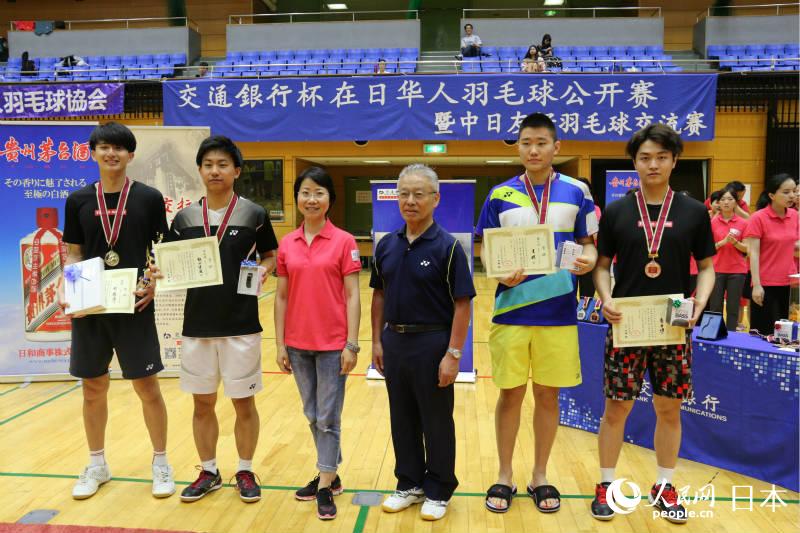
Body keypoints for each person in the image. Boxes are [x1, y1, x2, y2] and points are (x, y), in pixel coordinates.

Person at [590, 124, 716, 524]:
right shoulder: (617, 210)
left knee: (668, 409)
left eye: (662, 156)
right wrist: (606, 299)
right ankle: (606, 486)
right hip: (626, 324)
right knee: (616, 409)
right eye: (645, 157)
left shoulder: (694, 211)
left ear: (675, 161)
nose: (653, 164)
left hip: (674, 323)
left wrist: (700, 301)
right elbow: (602, 266)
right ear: (634, 162)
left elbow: (709, 268)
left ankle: (664, 487)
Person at [477, 113, 598, 514]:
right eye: (526, 142)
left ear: (556, 147)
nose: (533, 149)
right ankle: (505, 473)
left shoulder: (579, 192)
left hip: (560, 311)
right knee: (510, 394)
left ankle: (540, 474)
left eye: (542, 142)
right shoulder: (499, 195)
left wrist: (587, 260)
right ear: (518, 146)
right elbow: (484, 251)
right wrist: (499, 272)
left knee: (549, 395)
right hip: (511, 311)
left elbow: (591, 244)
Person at [157, 136, 277, 504]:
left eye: (223, 164)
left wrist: (263, 271)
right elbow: (170, 262)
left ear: (237, 171)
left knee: (244, 403)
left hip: (241, 326)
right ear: (199, 170)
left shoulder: (254, 213)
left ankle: (244, 468)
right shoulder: (184, 218)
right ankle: (208, 470)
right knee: (202, 404)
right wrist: (162, 272)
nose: (215, 170)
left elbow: (271, 255)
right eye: (208, 164)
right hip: (197, 327)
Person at [59, 122, 175, 500]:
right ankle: (97, 464)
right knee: (93, 388)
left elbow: (161, 250)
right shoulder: (78, 200)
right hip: (91, 304)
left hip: (134, 303)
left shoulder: (149, 198)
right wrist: (68, 288)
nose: (112, 154)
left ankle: (160, 462)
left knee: (146, 386)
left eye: (119, 148)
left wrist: (156, 280)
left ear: (131, 154)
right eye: (104, 147)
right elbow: (73, 253)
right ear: (92, 152)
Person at [371, 164, 475, 521]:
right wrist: (377, 342)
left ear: (435, 199)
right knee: (402, 418)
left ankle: (439, 488)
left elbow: (463, 304)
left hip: (433, 344)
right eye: (404, 194)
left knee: (436, 421)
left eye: (419, 194)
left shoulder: (448, 248)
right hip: (394, 343)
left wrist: (453, 354)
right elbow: (379, 297)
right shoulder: (387, 244)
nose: (410, 201)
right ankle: (409, 483)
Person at [275, 166, 362, 521]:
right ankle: (332, 471)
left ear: (330, 200)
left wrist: (352, 344)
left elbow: (353, 295)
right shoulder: (287, 243)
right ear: (297, 198)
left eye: (319, 193)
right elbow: (281, 297)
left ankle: (325, 483)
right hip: (297, 343)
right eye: (305, 192)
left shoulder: (344, 241)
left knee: (327, 417)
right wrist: (280, 344)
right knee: (312, 414)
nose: (311, 199)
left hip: (332, 344)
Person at [744, 173, 799, 334]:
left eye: (794, 191)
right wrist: (757, 285)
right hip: (765, 283)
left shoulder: (795, 216)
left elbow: (795, 247)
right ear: (772, 195)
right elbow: (753, 253)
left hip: (790, 284)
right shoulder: (758, 218)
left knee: (786, 334)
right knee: (763, 331)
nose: (792, 196)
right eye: (786, 192)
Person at [709, 187, 750, 331]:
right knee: (715, 306)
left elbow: (748, 248)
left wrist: (736, 243)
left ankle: (731, 337)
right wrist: (723, 242)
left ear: (736, 203)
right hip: (716, 269)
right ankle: (714, 335)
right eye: (722, 199)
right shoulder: (712, 223)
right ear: (718, 203)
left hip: (737, 270)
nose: (726, 202)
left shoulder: (743, 223)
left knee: (733, 307)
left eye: (730, 199)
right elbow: (707, 248)